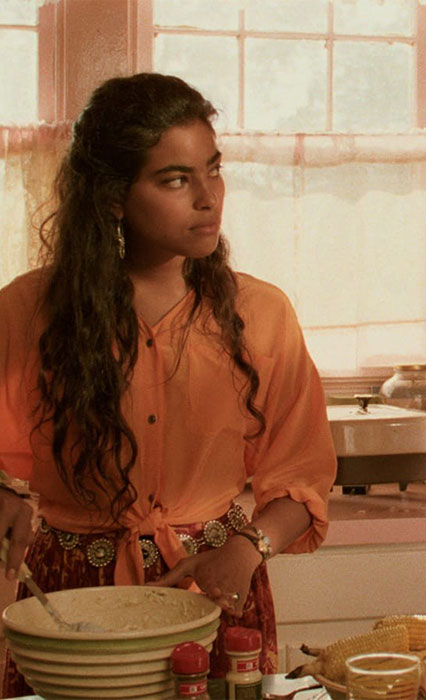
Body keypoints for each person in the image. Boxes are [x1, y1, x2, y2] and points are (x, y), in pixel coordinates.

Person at [0, 73, 336, 696]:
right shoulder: (27, 310)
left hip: (212, 590)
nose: (209, 198)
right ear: (111, 198)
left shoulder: (261, 315)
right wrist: (7, 495)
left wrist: (247, 550)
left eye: (214, 170)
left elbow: (302, 475)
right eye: (176, 180)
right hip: (72, 606)